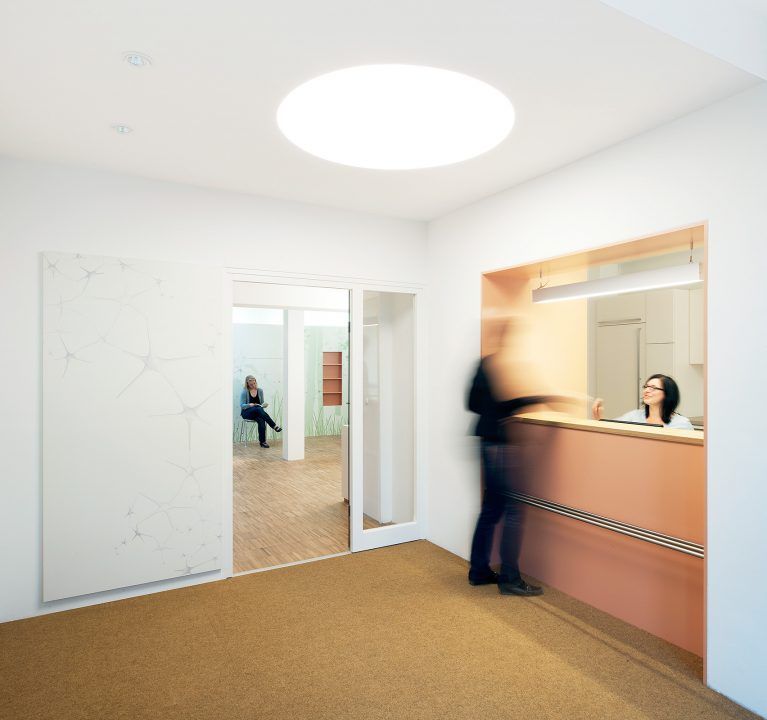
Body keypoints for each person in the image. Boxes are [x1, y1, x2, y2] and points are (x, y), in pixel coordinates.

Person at [467, 318, 569, 597]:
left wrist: (513, 403)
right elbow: (503, 404)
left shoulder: (486, 364)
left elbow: (472, 403)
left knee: (491, 510)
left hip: (487, 442)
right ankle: (510, 578)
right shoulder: (501, 366)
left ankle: (479, 571)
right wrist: (541, 398)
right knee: (514, 511)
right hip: (501, 444)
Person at [591, 373, 694, 429]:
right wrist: (600, 418)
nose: (646, 390)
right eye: (646, 386)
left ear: (667, 394)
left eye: (653, 388)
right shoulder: (633, 416)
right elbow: (612, 431)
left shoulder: (681, 424)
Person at [240, 375, 282, 448]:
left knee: (261, 419)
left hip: (258, 412)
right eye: (251, 384)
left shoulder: (260, 391)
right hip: (247, 413)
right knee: (258, 408)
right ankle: (274, 426)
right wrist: (249, 405)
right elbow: (242, 405)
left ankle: (263, 442)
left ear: (255, 382)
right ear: (247, 383)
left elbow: (261, 403)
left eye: (254, 383)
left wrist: (264, 405)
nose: (253, 385)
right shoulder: (244, 392)